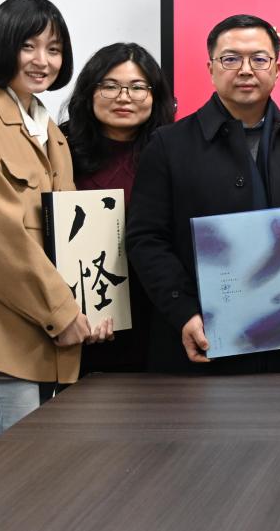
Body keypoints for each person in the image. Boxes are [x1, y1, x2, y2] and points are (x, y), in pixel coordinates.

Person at [0, 0, 111, 447]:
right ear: (2, 46)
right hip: (2, 343)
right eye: (28, 46)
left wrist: (92, 311)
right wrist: (63, 312)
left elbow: (69, 234)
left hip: (52, 343)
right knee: (11, 483)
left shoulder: (49, 130)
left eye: (54, 49)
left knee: (45, 481)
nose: (42, 60)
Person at [127, 14, 280, 374]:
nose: (246, 70)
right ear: (211, 69)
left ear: (277, 69)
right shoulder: (168, 145)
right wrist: (184, 311)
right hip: (202, 343)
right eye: (231, 59)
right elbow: (146, 239)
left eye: (259, 59)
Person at [61, 42, 175, 374]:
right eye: (110, 86)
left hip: (158, 315)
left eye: (138, 87)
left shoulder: (174, 151)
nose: (124, 97)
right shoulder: (58, 147)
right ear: (89, 91)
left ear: (155, 96)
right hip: (80, 318)